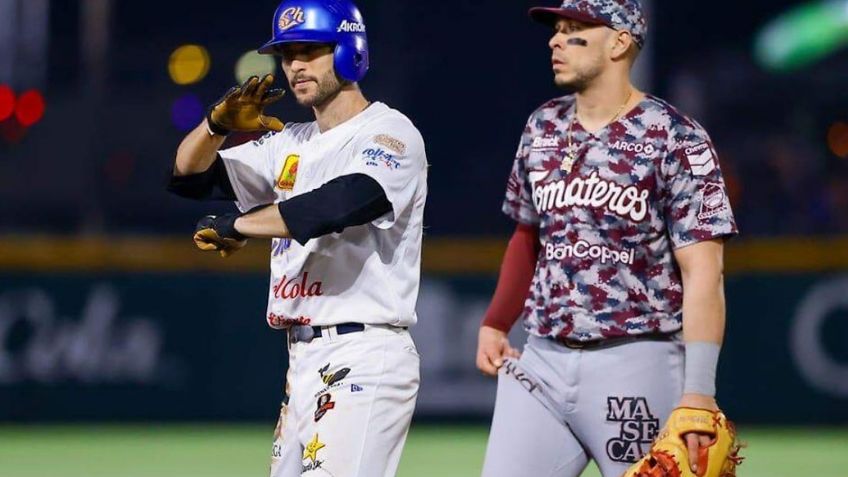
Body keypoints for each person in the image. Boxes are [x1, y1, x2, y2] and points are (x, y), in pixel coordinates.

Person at [475, 1, 739, 476]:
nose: (556, 40)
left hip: (637, 361)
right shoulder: (542, 126)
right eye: (556, 30)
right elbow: (528, 233)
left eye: (575, 31)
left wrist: (699, 390)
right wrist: (497, 321)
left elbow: (703, 271)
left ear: (619, 41)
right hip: (541, 359)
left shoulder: (676, 137)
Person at [167, 1, 428, 476]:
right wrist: (216, 125)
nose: (295, 66)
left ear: (351, 50)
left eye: (311, 50)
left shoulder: (390, 132)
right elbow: (188, 177)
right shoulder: (291, 141)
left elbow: (344, 202)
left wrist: (238, 225)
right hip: (303, 359)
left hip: (365, 354)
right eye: (287, 54)